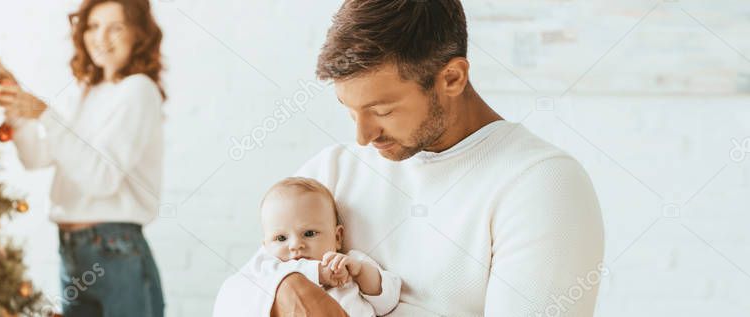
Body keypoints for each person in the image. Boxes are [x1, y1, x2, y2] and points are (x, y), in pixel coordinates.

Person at [214, 0, 605, 316]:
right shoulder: (332, 171)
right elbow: (232, 297)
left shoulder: (542, 185)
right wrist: (286, 289)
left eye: (382, 111)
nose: (362, 136)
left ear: (451, 78)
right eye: (350, 112)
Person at [0, 0, 167, 315]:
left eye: (116, 27)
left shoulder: (138, 91)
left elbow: (101, 180)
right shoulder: (86, 91)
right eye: (94, 26)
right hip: (73, 250)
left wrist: (45, 115)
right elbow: (37, 157)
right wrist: (18, 111)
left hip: (115, 248)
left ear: (138, 35)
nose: (101, 37)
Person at [214, 177, 401, 316]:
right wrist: (318, 272)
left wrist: (360, 273)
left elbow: (388, 303)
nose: (295, 245)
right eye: (281, 238)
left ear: (338, 237)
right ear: (265, 245)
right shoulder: (268, 266)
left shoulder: (351, 262)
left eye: (309, 234)